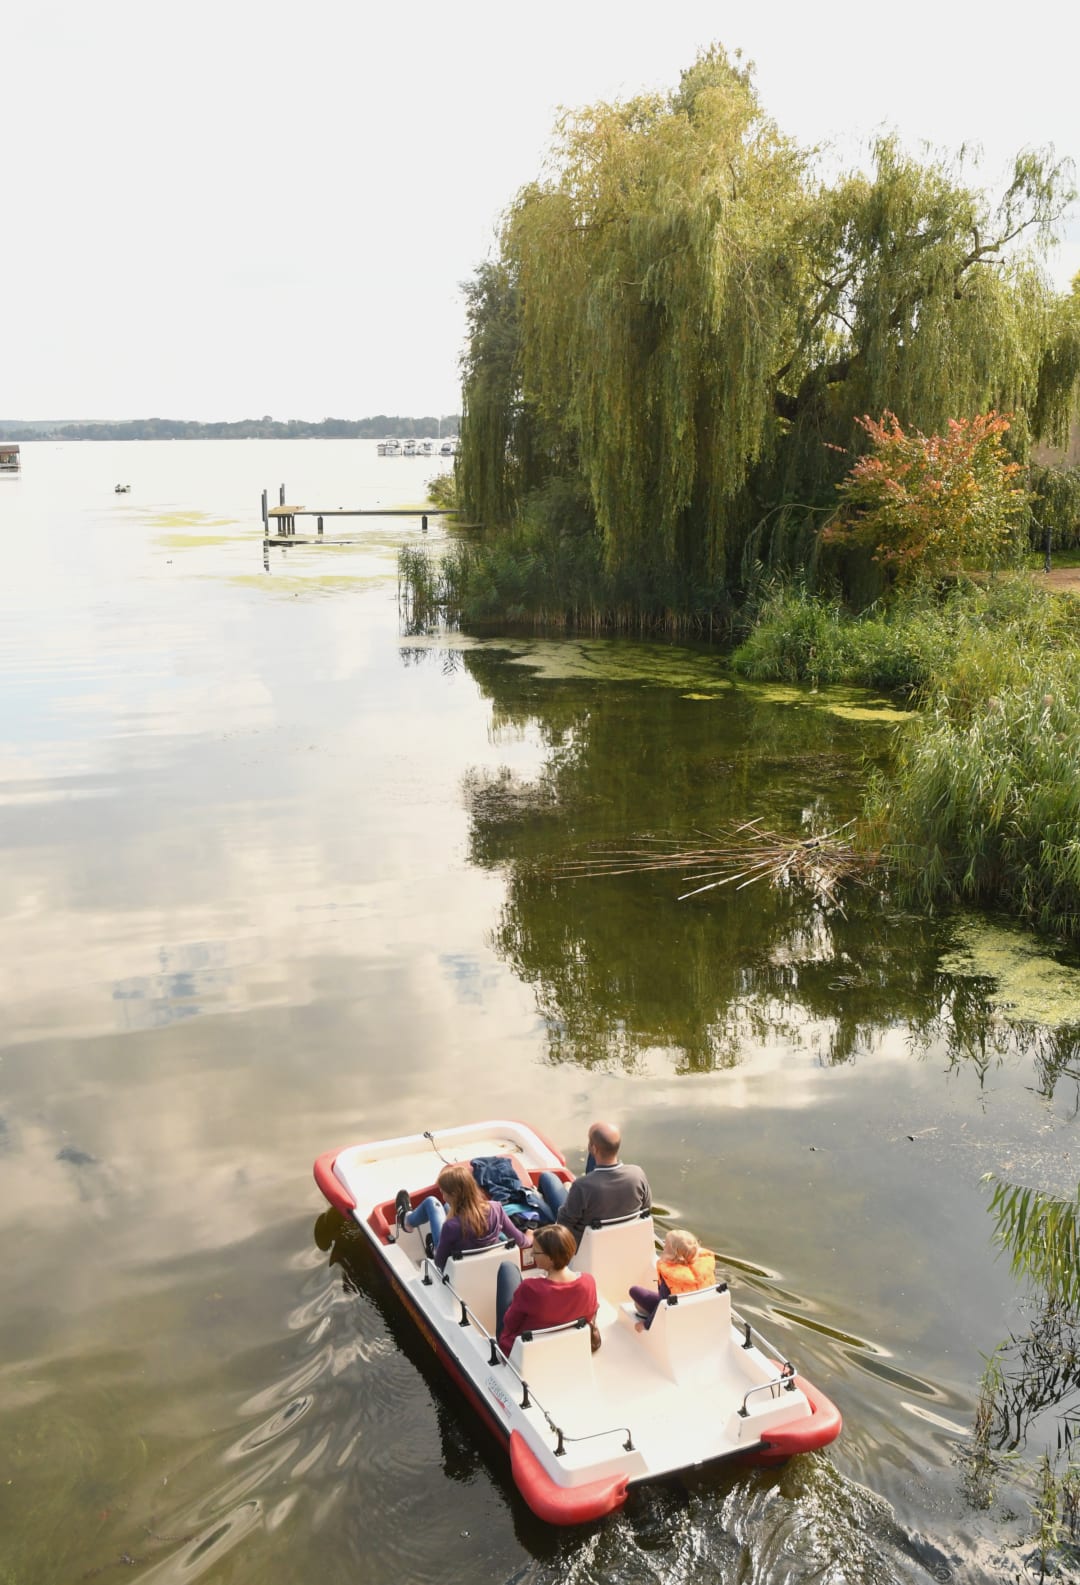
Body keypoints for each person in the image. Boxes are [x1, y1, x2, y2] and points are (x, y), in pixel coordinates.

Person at [396, 1162, 530, 1273]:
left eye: (443, 1193)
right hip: (487, 1262)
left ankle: (407, 1221)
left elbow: (440, 1262)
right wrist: (531, 1236)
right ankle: (414, 1226)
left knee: (432, 1202)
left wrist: (436, 1249)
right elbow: (521, 1241)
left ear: (453, 1195)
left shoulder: (451, 1226)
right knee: (447, 1208)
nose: (443, 1197)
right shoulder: (496, 1208)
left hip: (457, 1268)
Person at [537, 1121, 651, 1246]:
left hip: (585, 1246)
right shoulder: (637, 1174)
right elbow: (645, 1209)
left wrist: (570, 1193)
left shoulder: (582, 1186)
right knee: (592, 1164)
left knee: (547, 1177)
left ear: (594, 1148)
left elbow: (563, 1225)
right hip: (624, 1240)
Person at [496, 1223, 599, 1358]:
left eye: (536, 1251)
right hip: (568, 1347)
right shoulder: (588, 1282)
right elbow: (590, 1316)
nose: (532, 1254)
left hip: (526, 1352)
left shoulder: (530, 1288)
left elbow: (509, 1324)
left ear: (550, 1258)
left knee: (508, 1267)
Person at [629, 1227, 716, 1330]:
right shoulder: (707, 1268)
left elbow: (662, 1306)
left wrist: (646, 1325)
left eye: (666, 1246)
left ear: (671, 1253)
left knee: (635, 1291)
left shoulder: (670, 1278)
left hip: (677, 1315)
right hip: (701, 1312)